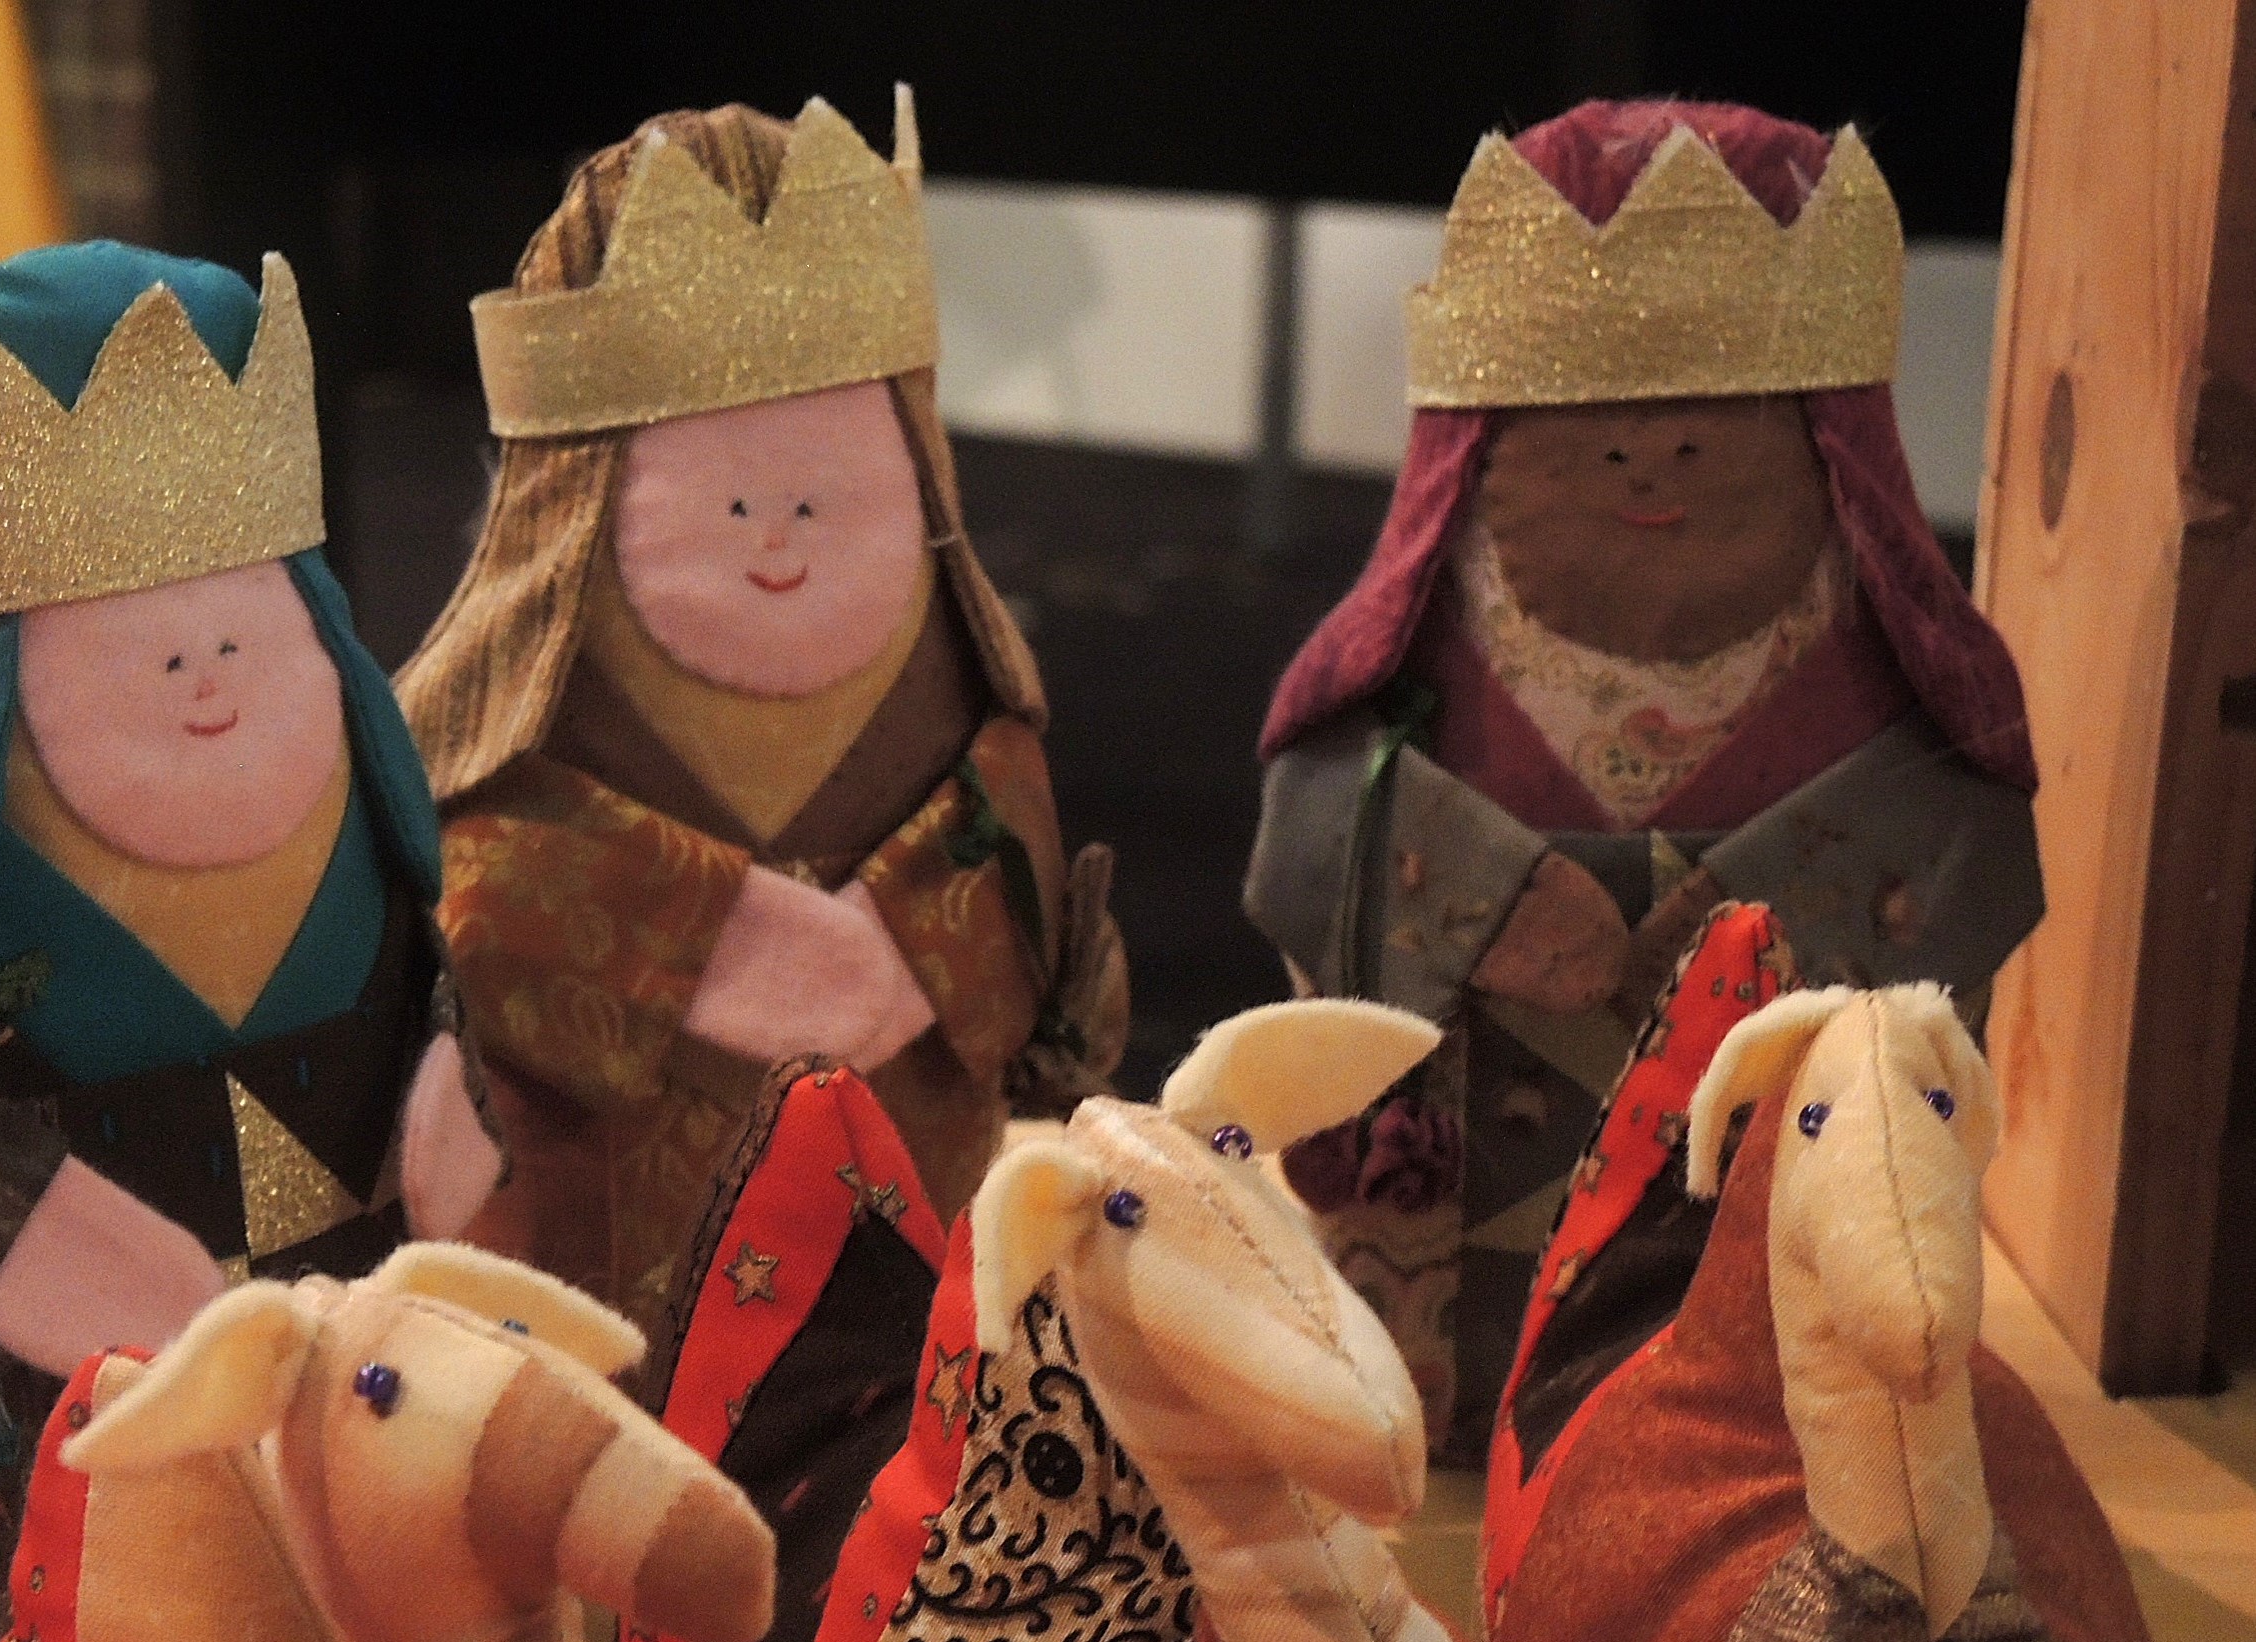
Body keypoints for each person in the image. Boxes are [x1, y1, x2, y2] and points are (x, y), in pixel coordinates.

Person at [1246, 101, 2043, 1460]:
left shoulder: (1881, 659)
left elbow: (1966, 834)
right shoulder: (1415, 650)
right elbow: (1314, 814)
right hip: (1467, 1272)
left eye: (1706, 432)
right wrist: (1482, 886)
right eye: (1593, 432)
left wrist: (1749, 915)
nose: (1648, 463)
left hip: (1768, 1305)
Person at [397, 94, 1126, 1346]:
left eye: (819, 497)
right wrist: (776, 944)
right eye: (729, 506)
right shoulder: (526, 765)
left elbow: (1012, 868)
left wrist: (913, 944)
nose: (777, 537)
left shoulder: (966, 732)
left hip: (910, 1266)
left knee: (916, 1331)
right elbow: (494, 897)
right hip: (627, 1313)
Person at [0, 242, 445, 1471]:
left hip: (376, 1445)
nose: (206, 675)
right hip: (60, 1503)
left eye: (238, 630)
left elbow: (432, 978)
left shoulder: (358, 835)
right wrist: (16, 1217)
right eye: (143, 651)